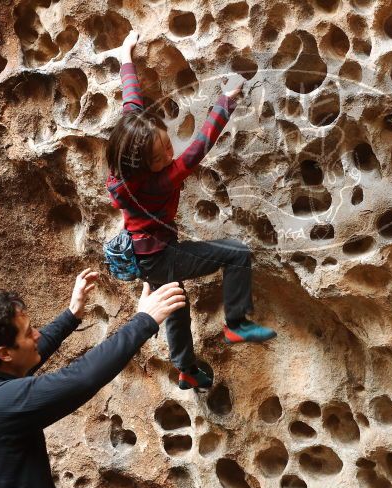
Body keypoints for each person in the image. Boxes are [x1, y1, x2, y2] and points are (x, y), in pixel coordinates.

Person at [0, 269, 185, 488]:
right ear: (4, 353)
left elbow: (29, 358)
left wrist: (71, 315)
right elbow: (79, 379)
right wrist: (145, 320)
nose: (36, 335)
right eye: (28, 333)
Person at [105, 30, 276, 392]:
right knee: (237, 255)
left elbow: (131, 105)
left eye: (167, 144)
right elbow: (198, 148)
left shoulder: (125, 157)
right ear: (143, 165)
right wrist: (225, 101)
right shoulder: (157, 182)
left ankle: (186, 370)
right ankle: (237, 323)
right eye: (161, 155)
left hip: (145, 251)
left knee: (176, 306)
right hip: (159, 254)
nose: (169, 154)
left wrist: (126, 57)